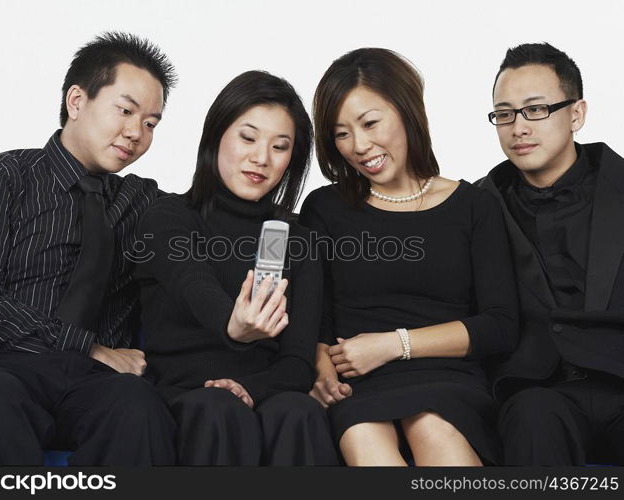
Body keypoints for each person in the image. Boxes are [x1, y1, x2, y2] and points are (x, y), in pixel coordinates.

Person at [0, 32, 178, 465]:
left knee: (141, 411)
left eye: (151, 123)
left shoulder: (143, 203)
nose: (135, 133)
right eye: (125, 110)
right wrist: (88, 346)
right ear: (77, 101)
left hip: (99, 381)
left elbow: (217, 225)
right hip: (4, 365)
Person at [300, 48, 519, 466]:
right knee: (365, 439)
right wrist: (321, 366)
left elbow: (500, 326)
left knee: (432, 429)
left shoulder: (474, 206)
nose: (359, 146)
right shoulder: (324, 208)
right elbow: (315, 317)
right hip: (357, 384)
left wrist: (394, 345)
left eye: (369, 123)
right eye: (341, 133)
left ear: (407, 111)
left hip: (447, 377)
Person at [134, 70, 338, 466]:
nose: (261, 158)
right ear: (217, 135)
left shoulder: (295, 238)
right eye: (248, 137)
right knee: (218, 408)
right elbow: (193, 283)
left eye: (280, 147)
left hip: (265, 389)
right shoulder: (170, 216)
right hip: (186, 395)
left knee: (299, 411)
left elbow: (297, 363)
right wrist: (233, 325)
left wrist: (247, 387)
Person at [477, 42, 624, 466]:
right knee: (532, 416)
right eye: (504, 113)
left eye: (535, 109)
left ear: (576, 114)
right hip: (539, 390)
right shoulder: (479, 206)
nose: (518, 127)